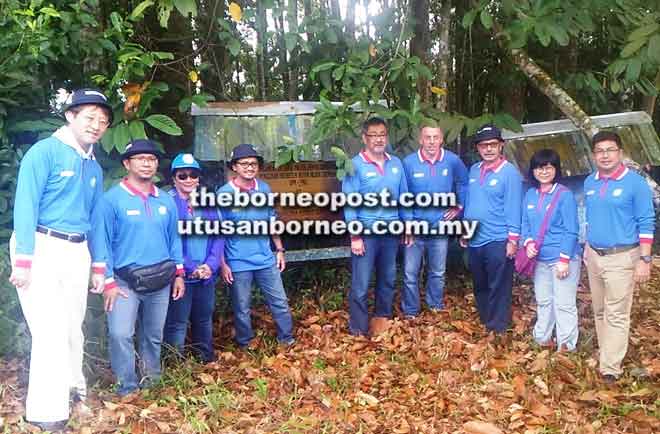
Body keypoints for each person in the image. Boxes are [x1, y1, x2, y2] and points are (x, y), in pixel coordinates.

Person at [9, 88, 111, 431]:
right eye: (89, 118)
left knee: (72, 327)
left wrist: (101, 266)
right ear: (70, 116)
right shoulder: (45, 152)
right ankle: (47, 413)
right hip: (40, 244)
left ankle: (74, 391)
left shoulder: (93, 165)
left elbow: (96, 219)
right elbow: (26, 203)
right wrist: (23, 258)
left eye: (103, 120)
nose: (96, 125)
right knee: (49, 330)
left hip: (76, 250)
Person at [95, 139, 185, 396]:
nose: (147, 163)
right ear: (127, 163)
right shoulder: (111, 200)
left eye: (152, 159)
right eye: (140, 158)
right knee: (121, 333)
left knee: (153, 335)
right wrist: (108, 281)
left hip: (160, 280)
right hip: (124, 282)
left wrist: (179, 273)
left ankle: (151, 382)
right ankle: (127, 386)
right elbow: (101, 242)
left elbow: (174, 239)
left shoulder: (165, 200)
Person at [583, 131, 654, 383]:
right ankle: (607, 353)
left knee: (616, 313)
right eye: (599, 151)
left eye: (610, 150)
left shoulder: (635, 183)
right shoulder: (590, 182)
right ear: (594, 155)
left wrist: (644, 260)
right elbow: (590, 217)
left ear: (620, 152)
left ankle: (610, 367)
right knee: (600, 309)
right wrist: (586, 247)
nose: (605, 155)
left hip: (623, 256)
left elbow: (646, 221)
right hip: (594, 255)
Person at [217, 144, 294, 348]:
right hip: (237, 260)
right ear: (234, 166)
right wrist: (223, 264)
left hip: (265, 257)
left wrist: (279, 249)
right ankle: (245, 344)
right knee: (242, 307)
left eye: (253, 164)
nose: (250, 167)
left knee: (280, 301)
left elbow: (271, 220)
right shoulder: (224, 193)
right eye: (244, 163)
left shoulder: (264, 188)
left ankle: (287, 340)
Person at [342, 117, 411, 335]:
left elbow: (404, 196)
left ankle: (382, 324)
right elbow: (349, 202)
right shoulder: (354, 165)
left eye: (382, 134)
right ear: (364, 138)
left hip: (390, 233)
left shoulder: (396, 163)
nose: (379, 139)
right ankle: (359, 330)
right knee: (361, 285)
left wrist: (407, 224)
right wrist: (355, 237)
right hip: (366, 234)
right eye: (374, 135)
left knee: (388, 279)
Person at [401, 123, 468, 317]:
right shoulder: (409, 163)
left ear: (441, 140)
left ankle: (435, 307)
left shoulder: (452, 160)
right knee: (410, 273)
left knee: (437, 272)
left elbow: (464, 183)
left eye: (435, 137)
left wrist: (459, 206)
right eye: (427, 138)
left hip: (440, 225)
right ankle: (411, 311)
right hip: (415, 226)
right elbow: (401, 193)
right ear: (420, 140)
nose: (431, 142)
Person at [462, 125, 523, 336]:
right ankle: (486, 320)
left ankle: (498, 328)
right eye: (483, 145)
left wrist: (513, 240)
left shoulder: (509, 174)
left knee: (499, 284)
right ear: (478, 148)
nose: (488, 149)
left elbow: (514, 207)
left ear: (501, 146)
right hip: (475, 237)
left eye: (492, 145)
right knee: (480, 282)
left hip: (499, 238)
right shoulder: (474, 170)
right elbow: (471, 202)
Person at [164, 153, 223, 363]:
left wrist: (211, 265)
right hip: (181, 275)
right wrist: (190, 267)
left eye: (193, 175)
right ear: (174, 178)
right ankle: (174, 365)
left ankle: (206, 360)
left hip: (206, 274)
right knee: (177, 322)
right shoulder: (167, 203)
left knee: (204, 319)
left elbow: (218, 235)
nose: (188, 179)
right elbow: (169, 241)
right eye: (183, 175)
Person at [521, 149, 581, 351]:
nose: (543, 172)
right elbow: (525, 224)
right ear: (533, 171)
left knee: (564, 303)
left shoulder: (564, 195)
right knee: (544, 300)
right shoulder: (530, 194)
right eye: (539, 167)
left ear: (556, 169)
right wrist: (528, 242)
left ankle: (566, 344)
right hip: (539, 258)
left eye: (548, 167)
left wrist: (564, 259)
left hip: (561, 258)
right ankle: (542, 338)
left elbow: (572, 230)